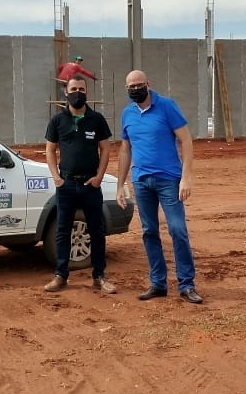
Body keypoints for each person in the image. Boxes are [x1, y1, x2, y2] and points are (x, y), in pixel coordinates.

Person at [115, 70, 203, 303]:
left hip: (169, 180)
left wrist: (186, 177)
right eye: (130, 86)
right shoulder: (127, 114)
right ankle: (158, 283)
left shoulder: (166, 106)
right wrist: (120, 183)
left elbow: (185, 140)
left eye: (139, 85)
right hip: (141, 181)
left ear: (148, 84)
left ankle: (186, 284)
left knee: (177, 230)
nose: (135, 89)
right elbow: (125, 149)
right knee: (149, 232)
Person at [43, 75, 115, 294]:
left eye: (81, 89)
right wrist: (56, 177)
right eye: (73, 89)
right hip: (66, 186)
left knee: (97, 231)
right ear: (66, 92)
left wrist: (99, 177)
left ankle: (99, 276)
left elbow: (105, 149)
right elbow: (50, 150)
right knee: (63, 231)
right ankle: (61, 276)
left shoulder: (97, 119)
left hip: (90, 185)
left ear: (87, 92)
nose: (77, 93)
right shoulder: (57, 120)